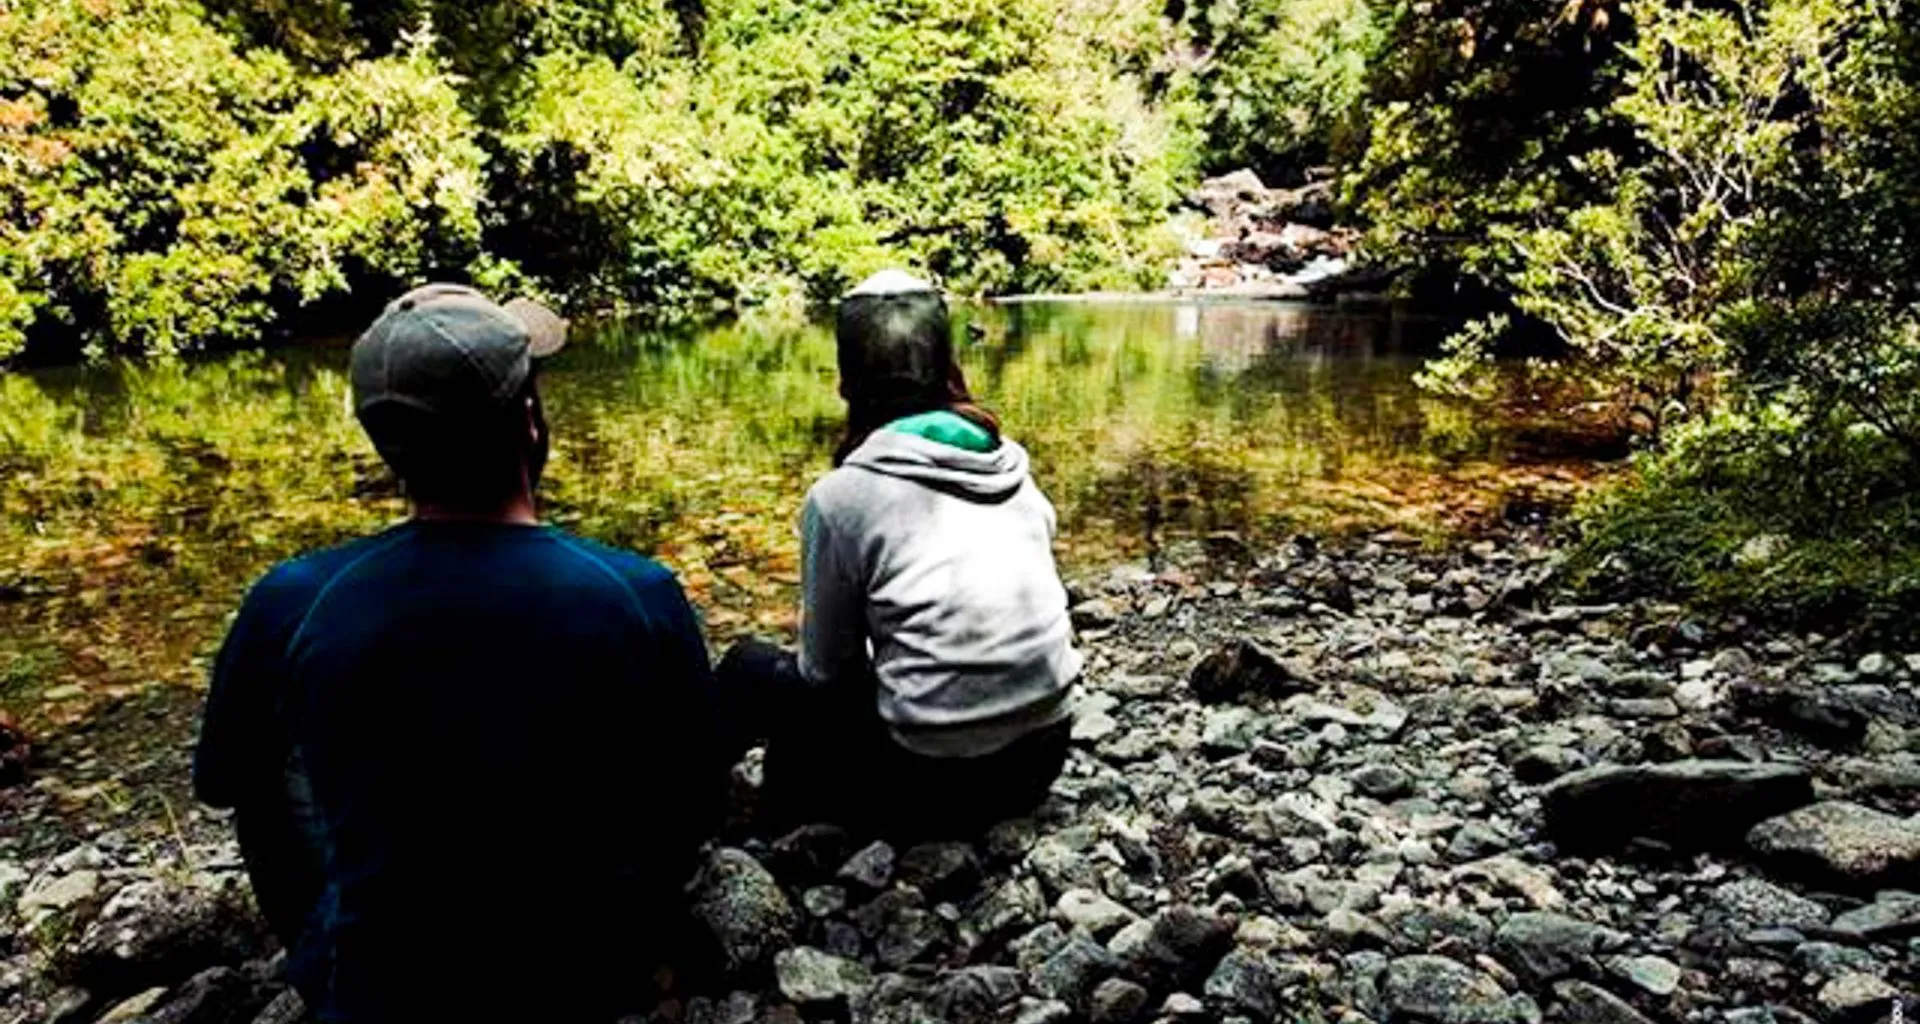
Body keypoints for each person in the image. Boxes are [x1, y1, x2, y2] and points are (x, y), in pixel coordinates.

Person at [193, 284, 726, 1023]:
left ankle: (325, 950)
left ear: (386, 447)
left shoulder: (291, 600)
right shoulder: (636, 590)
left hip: (380, 993)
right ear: (531, 422)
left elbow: (223, 784)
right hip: (588, 979)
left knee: (267, 764)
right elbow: (698, 797)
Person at [717, 270, 1081, 839]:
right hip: (1040, 760)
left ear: (845, 384)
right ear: (952, 372)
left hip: (931, 786)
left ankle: (712, 817)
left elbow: (825, 670)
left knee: (748, 666)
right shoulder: (1012, 465)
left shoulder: (842, 498)